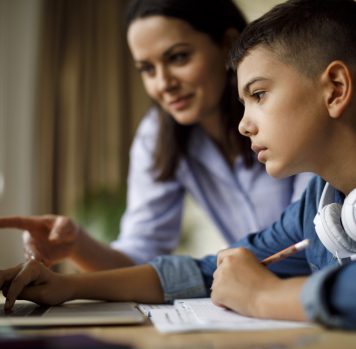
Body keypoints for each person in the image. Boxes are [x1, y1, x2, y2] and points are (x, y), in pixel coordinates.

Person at [1, 0, 356, 330]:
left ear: (336, 89)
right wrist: (67, 285)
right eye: (146, 69)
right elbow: (212, 270)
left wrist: (262, 295)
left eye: (259, 95)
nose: (244, 125)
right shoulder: (315, 204)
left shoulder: (307, 159)